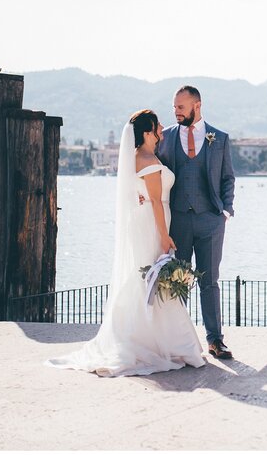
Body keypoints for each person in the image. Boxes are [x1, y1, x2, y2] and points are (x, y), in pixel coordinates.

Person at [47, 110, 205, 376]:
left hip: (145, 220)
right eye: (157, 126)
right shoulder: (147, 160)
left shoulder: (138, 158)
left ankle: (152, 337)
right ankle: (156, 342)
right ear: (147, 133)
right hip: (153, 224)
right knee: (151, 278)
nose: (162, 128)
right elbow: (155, 200)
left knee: (146, 278)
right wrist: (164, 236)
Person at [157, 85, 236, 359]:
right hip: (177, 220)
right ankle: (178, 341)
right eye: (174, 108)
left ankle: (215, 340)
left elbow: (228, 177)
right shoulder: (165, 137)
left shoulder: (220, 139)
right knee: (177, 281)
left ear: (197, 106)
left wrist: (226, 210)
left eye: (181, 107)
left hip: (211, 221)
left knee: (209, 281)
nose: (176, 112)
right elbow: (153, 172)